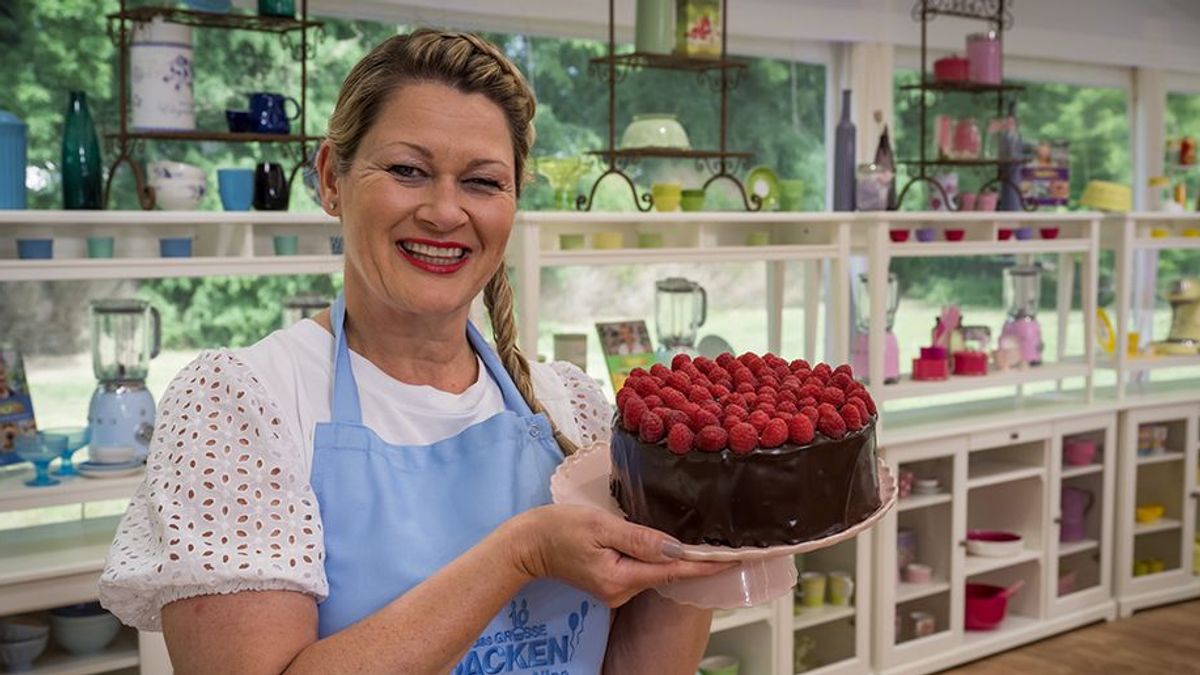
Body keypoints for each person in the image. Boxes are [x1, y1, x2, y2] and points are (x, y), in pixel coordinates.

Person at [99, 29, 732, 674]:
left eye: (482, 182)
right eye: (407, 171)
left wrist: (718, 531)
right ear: (331, 179)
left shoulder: (571, 407)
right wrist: (520, 553)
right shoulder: (242, 406)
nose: (444, 211)